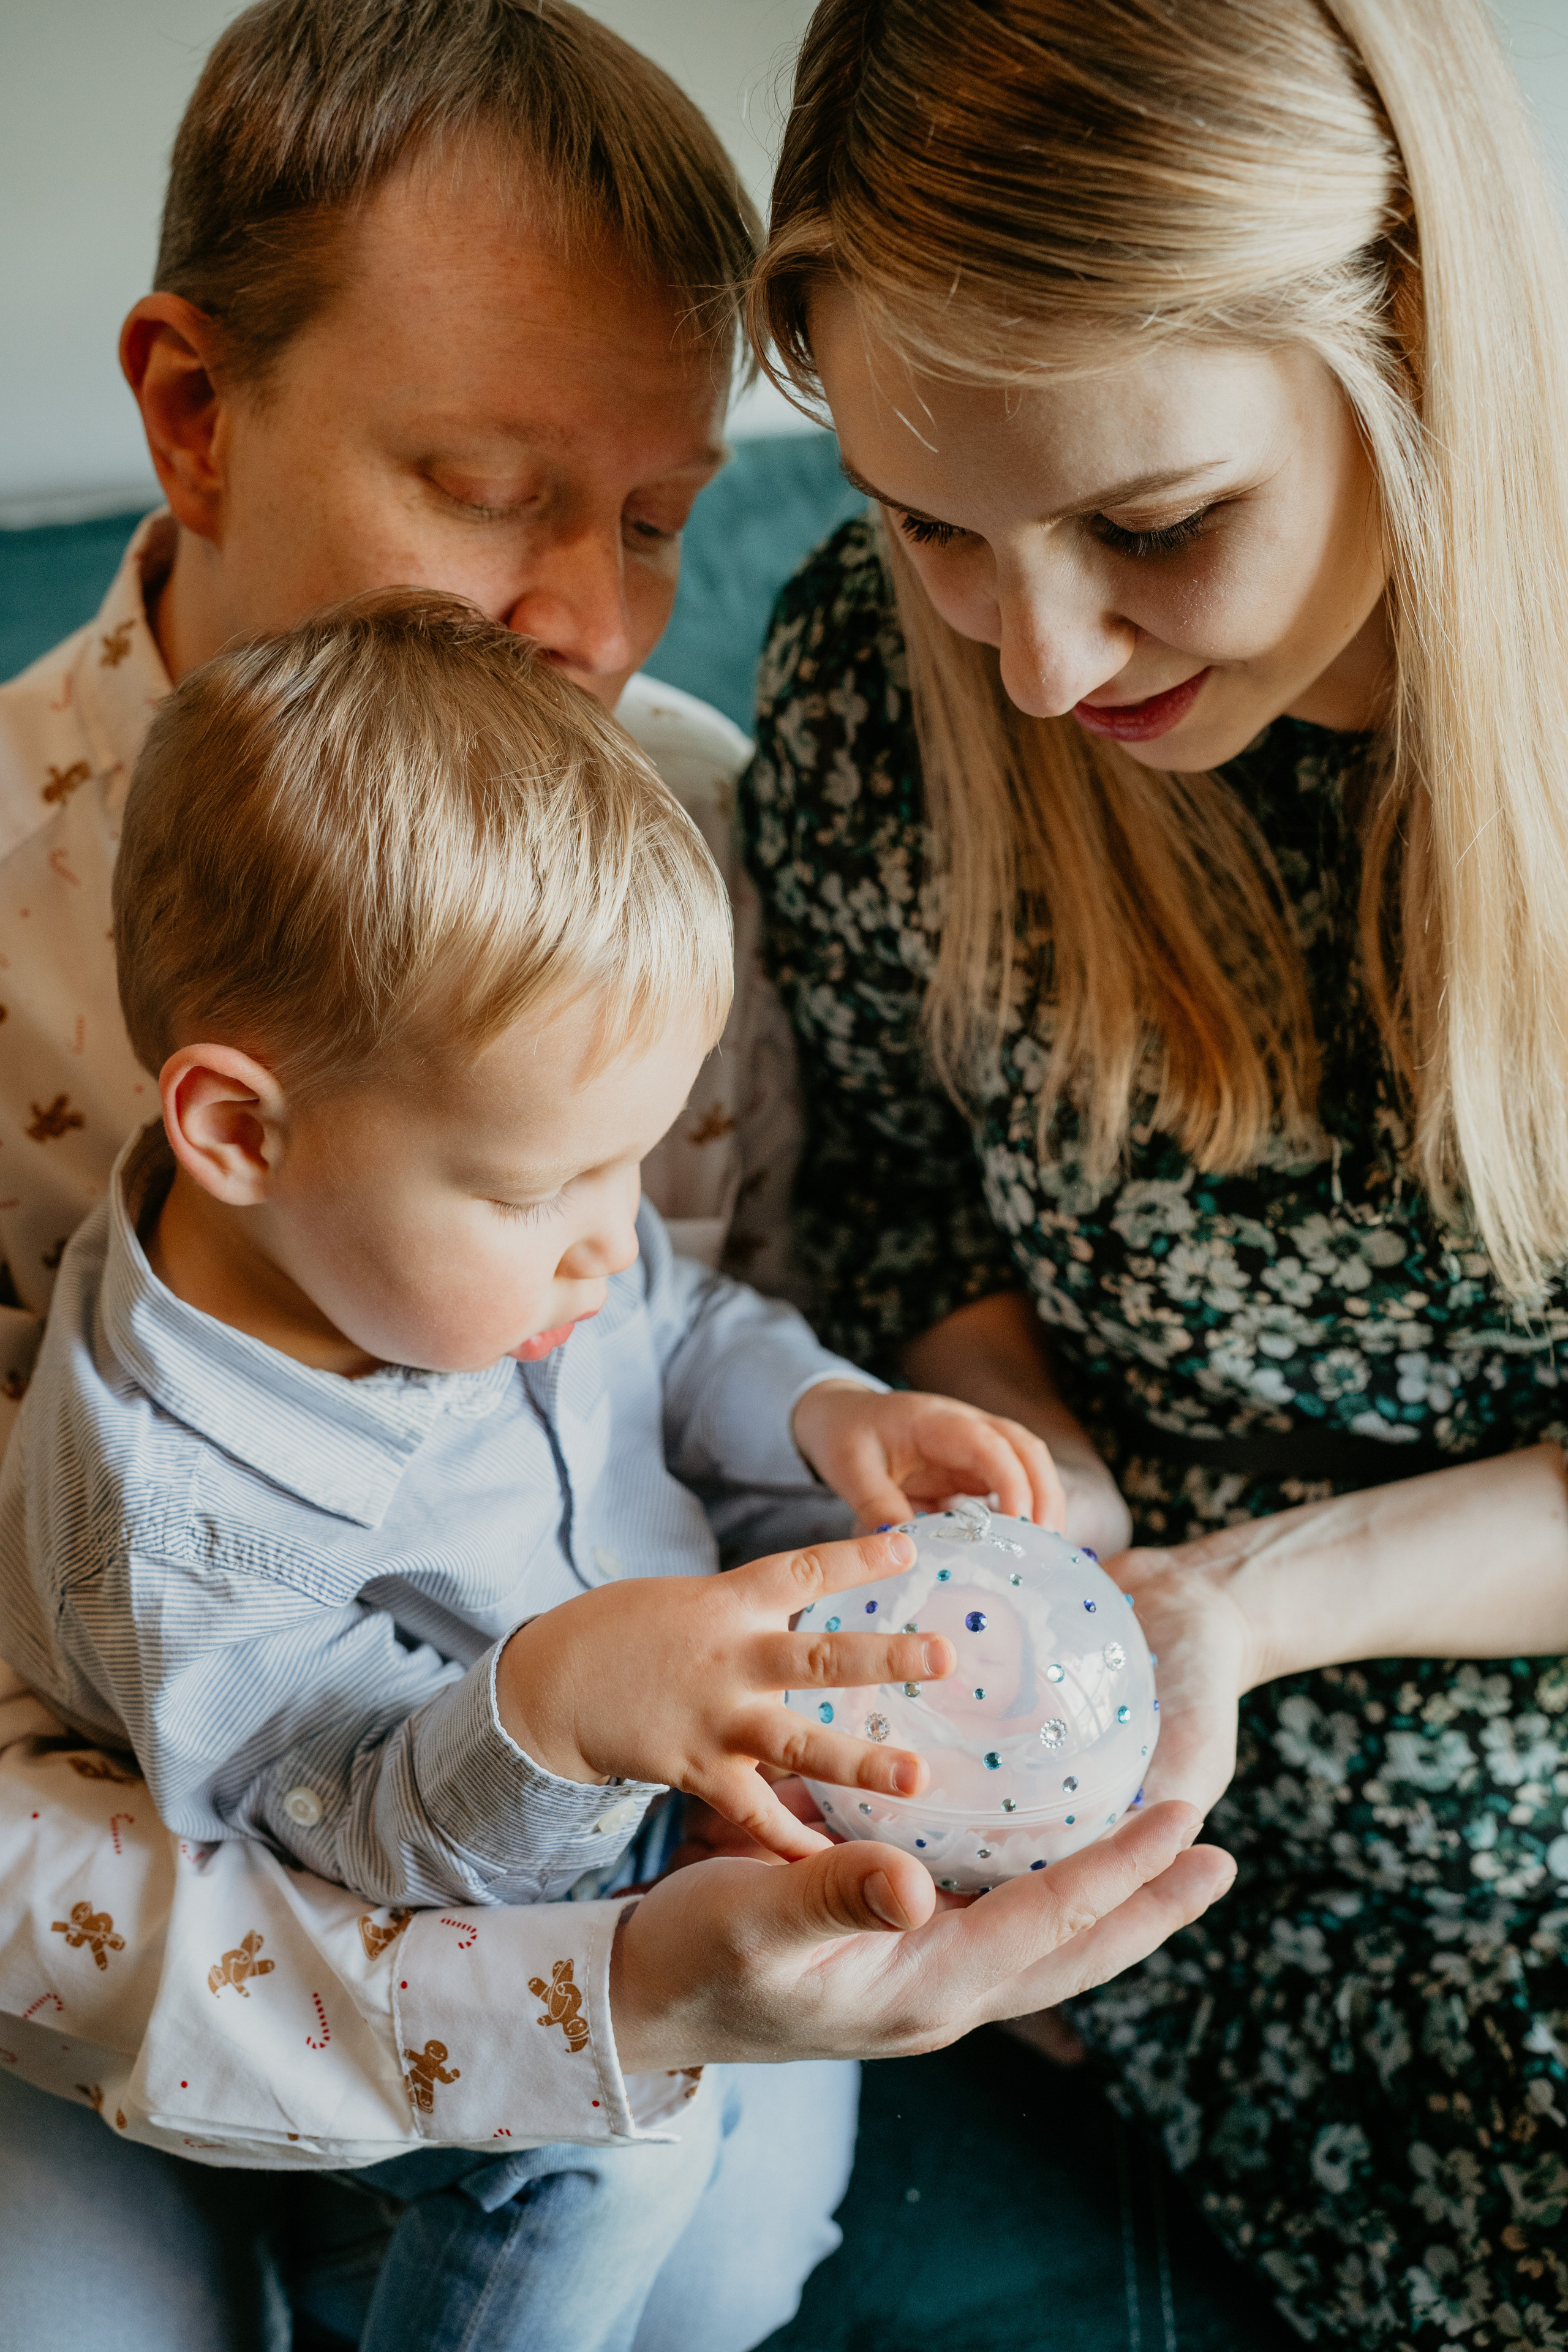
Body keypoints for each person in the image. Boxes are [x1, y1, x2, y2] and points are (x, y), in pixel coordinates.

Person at [0, 5, 1232, 2345]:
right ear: (192, 413)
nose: (582, 618)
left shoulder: (675, 816)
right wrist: (578, 1992)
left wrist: (841, 1532)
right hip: (137, 1858)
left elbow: (682, 1345)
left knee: (716, 2259)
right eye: (478, 484)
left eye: (659, 516)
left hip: (604, 1798)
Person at [739, 1, 1568, 2344]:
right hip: (1238, 1866)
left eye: (1153, 524)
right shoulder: (878, 706)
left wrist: (1256, 1600)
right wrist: (1029, 1478)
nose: (1040, 660)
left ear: (1415, 333)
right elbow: (899, 1210)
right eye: (935, 528)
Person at [4, 587, 1076, 2342]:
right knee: (607, 2166)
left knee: (739, 2241)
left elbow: (680, 1323)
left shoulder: (477, 1231)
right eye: (538, 1190)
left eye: (627, 1167)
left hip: (658, 1799)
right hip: (383, 1926)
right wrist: (557, 1715)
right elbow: (352, 1866)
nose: (605, 1242)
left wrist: (829, 1416)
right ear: (237, 1130)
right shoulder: (175, 1517)